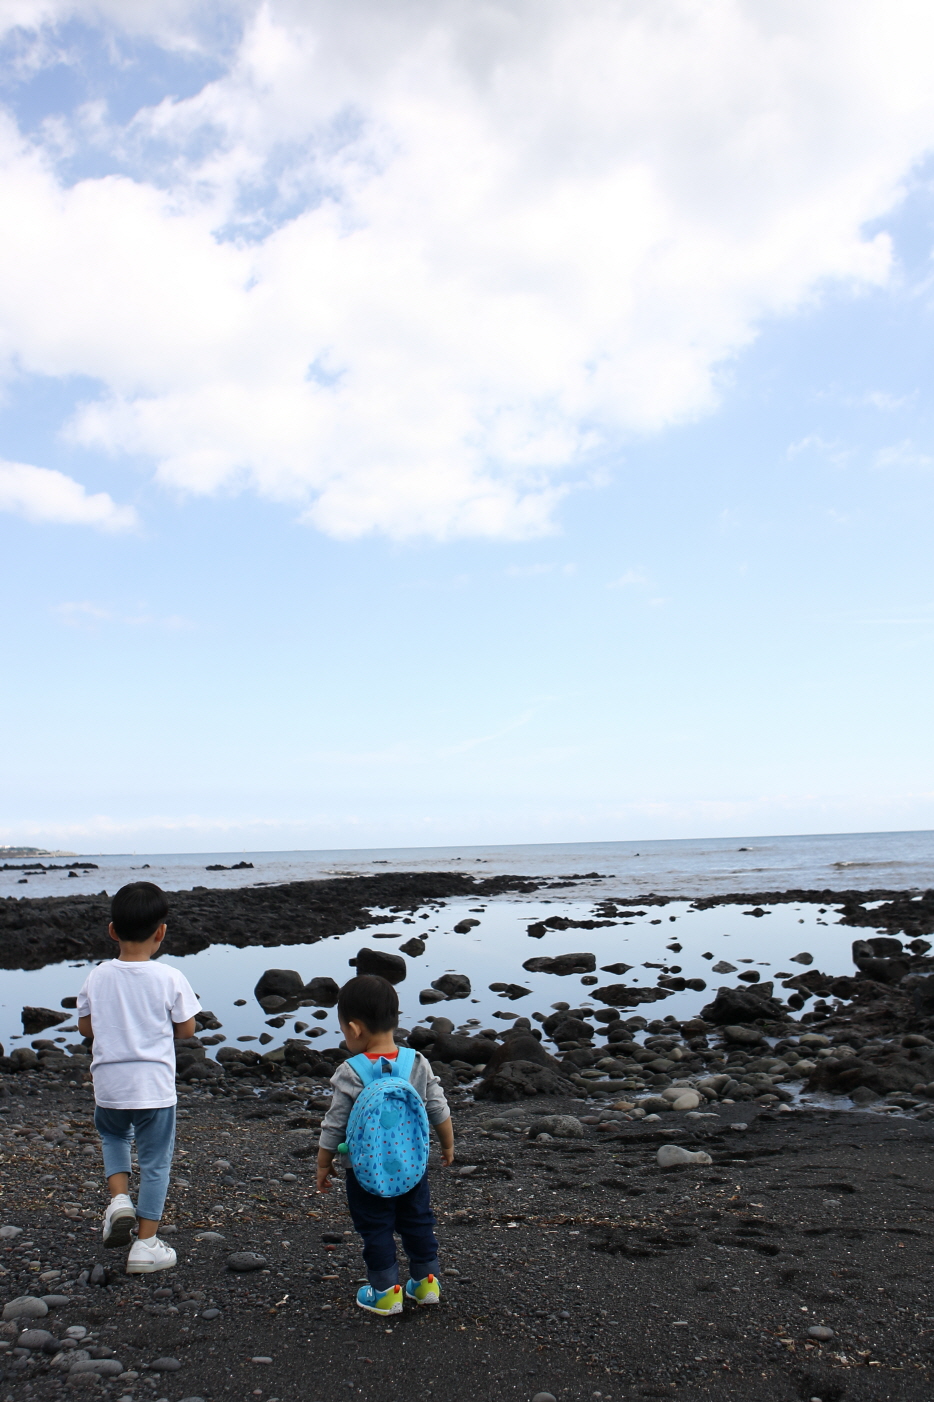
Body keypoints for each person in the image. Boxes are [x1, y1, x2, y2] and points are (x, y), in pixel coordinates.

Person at [76, 882, 200, 1275]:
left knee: (113, 1137)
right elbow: (187, 1029)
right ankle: (146, 1245)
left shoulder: (97, 976)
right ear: (161, 932)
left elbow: (85, 1028)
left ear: (112, 930)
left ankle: (119, 1201)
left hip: (110, 1085)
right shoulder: (169, 976)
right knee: (155, 1161)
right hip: (153, 1087)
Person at [316, 975, 455, 1315]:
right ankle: (426, 1284)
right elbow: (438, 1108)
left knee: (376, 1228)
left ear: (354, 1028)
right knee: (418, 1221)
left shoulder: (350, 1071)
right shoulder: (417, 1062)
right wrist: (447, 1146)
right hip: (411, 1166)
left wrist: (323, 1162)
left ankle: (385, 1293)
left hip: (365, 1171)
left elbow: (335, 1123)